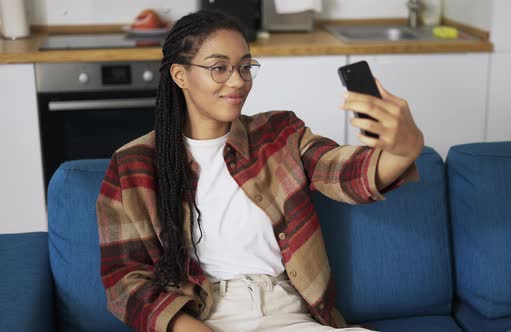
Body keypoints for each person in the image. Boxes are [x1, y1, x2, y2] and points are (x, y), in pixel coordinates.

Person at [96, 9, 423, 332]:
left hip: (290, 314)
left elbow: (343, 173)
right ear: (180, 76)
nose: (238, 81)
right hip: (206, 318)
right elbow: (123, 278)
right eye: (220, 68)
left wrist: (404, 149)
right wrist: (188, 328)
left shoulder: (280, 134)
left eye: (245, 67)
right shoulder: (132, 165)